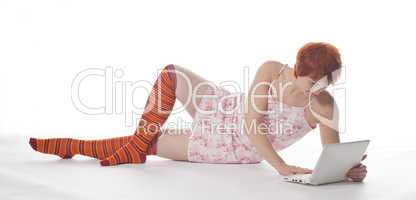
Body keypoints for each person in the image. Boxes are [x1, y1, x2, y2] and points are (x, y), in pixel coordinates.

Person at [29, 42, 367, 182]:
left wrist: (346, 171)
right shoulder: (272, 69)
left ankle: (71, 145)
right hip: (226, 108)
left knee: (147, 142)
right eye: (314, 83)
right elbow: (252, 120)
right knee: (171, 72)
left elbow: (331, 153)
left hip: (231, 145)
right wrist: (281, 166)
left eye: (327, 83)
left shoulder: (322, 104)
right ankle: (133, 148)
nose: (321, 90)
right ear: (298, 70)